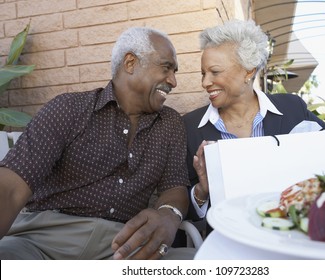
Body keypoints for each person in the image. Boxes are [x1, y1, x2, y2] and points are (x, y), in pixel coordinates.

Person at [0, 27, 194, 260]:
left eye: (174, 71)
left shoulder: (169, 123)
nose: (173, 81)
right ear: (130, 63)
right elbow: (10, 189)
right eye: (166, 68)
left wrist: (169, 214)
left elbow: (174, 186)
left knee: (199, 264)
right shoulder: (68, 110)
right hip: (41, 242)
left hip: (121, 247)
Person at [183, 19, 325, 233]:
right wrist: (201, 192)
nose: (205, 82)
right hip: (231, 240)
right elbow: (184, 211)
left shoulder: (292, 108)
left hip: (295, 235)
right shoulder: (190, 126)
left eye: (215, 72)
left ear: (248, 71)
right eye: (203, 74)